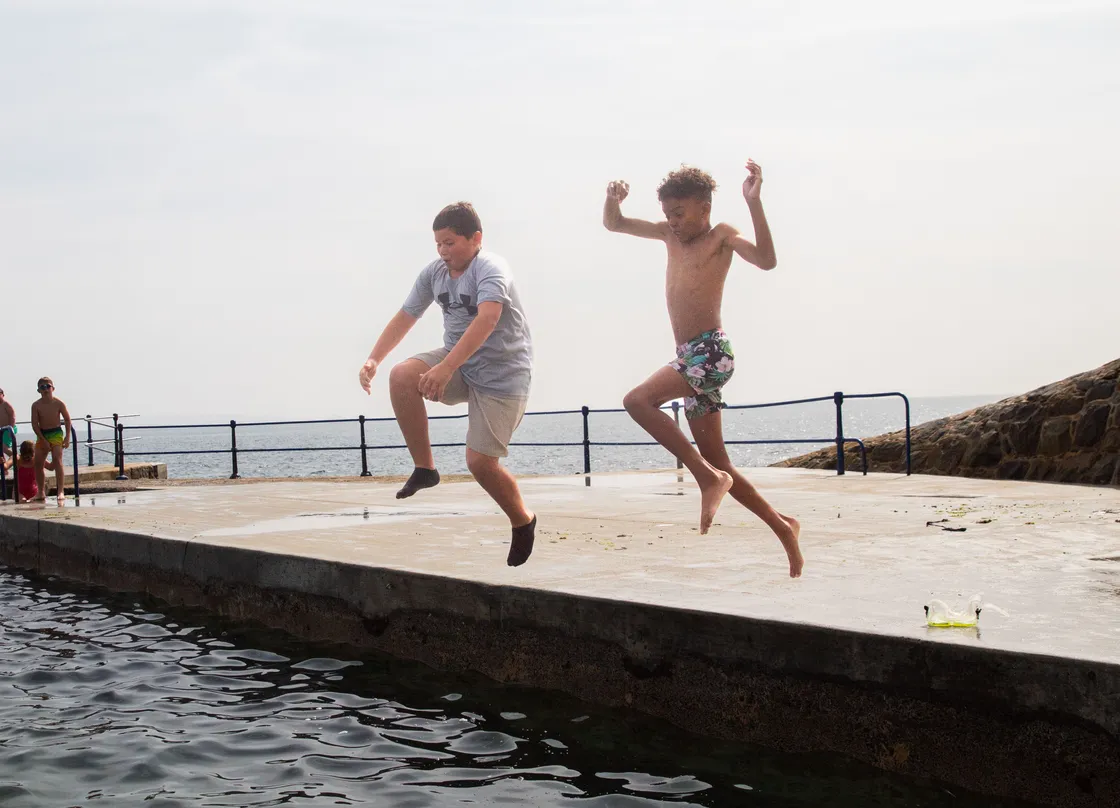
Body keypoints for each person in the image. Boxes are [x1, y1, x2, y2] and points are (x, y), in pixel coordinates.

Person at [602, 160, 803, 577]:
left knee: (637, 401)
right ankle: (783, 527)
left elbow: (767, 260)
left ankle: (705, 480)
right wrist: (612, 200)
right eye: (668, 214)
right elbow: (615, 224)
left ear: (704, 209)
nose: (672, 223)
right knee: (720, 462)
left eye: (679, 214)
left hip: (710, 353)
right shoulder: (666, 235)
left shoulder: (721, 237)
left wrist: (754, 203)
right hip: (689, 356)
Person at [358, 202, 537, 566]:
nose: (443, 251)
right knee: (402, 375)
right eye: (438, 244)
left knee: (480, 464)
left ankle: (523, 520)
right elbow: (407, 314)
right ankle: (425, 469)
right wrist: (374, 358)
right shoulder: (435, 272)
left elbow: (487, 319)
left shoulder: (491, 268)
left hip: (503, 378)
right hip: (458, 365)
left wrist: (445, 367)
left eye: (450, 243)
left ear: (476, 239)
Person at [31, 377, 72, 506]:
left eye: (47, 386)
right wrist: (43, 440)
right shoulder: (36, 405)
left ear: (52, 388)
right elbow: (34, 424)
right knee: (38, 462)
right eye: (42, 387)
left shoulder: (58, 403)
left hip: (56, 433)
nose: (45, 389)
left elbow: (67, 419)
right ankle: (41, 492)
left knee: (57, 460)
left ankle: (60, 491)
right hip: (43, 434)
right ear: (39, 390)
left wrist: (67, 437)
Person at [0, 387, 15, 471]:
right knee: (0, 450)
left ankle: (16, 457)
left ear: (3, 395)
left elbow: (12, 416)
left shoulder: (5, 404)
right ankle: (4, 470)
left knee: (4, 448)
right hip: (1, 430)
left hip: (8, 429)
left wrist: (11, 428)